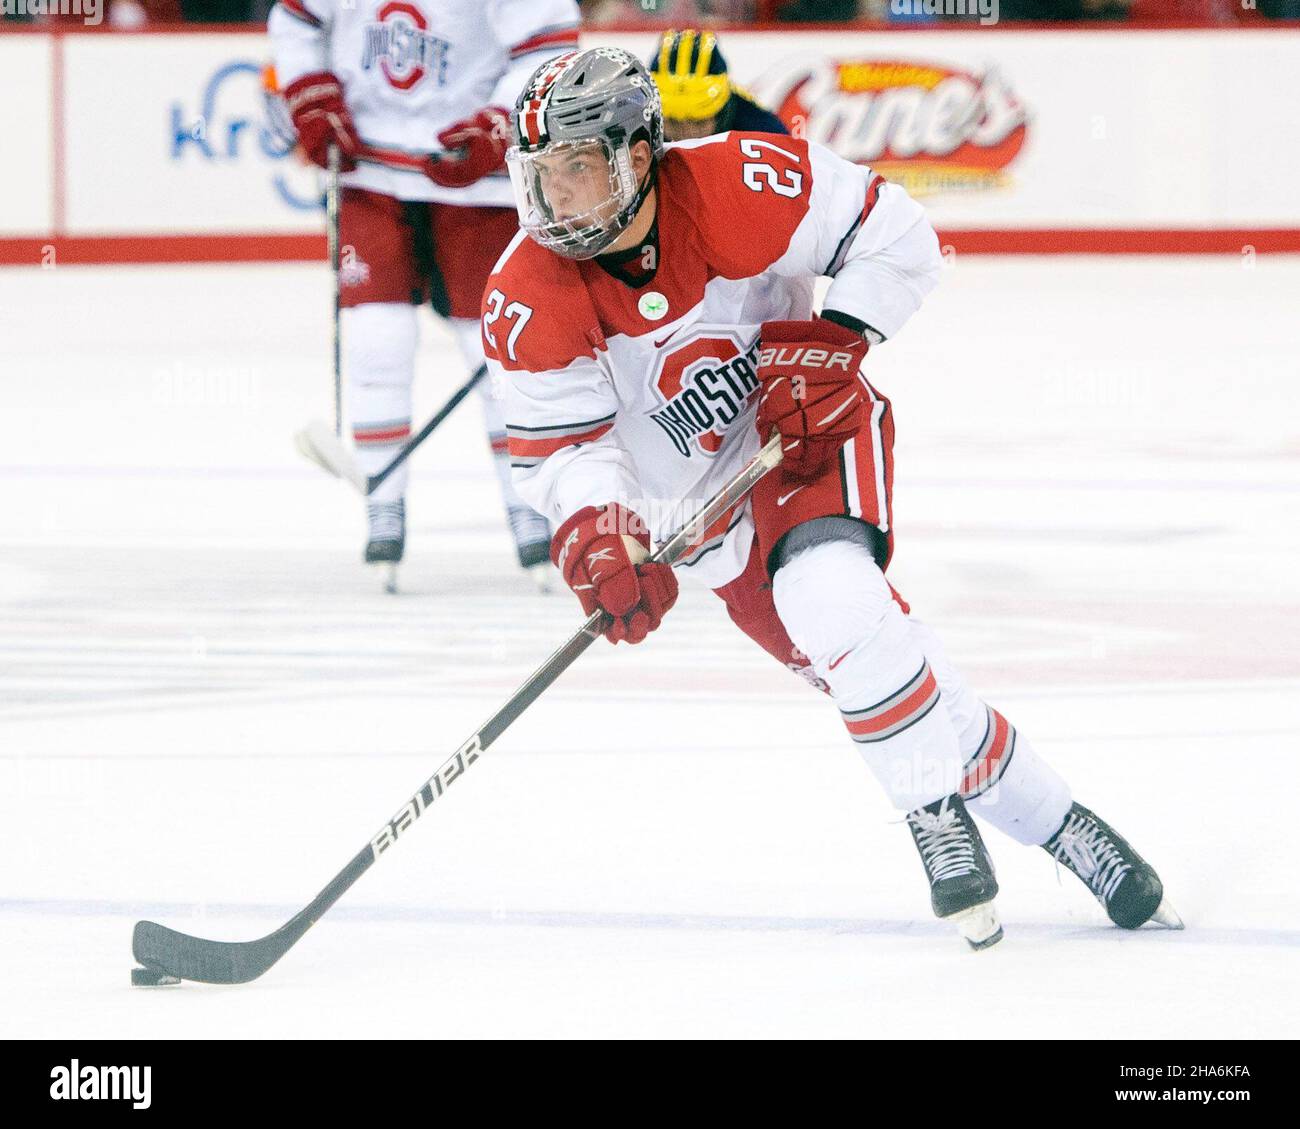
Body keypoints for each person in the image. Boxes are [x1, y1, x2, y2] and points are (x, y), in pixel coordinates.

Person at [482, 47, 1180, 947]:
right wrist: (601, 537)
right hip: (706, 525)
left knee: (833, 600)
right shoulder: (524, 296)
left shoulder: (740, 181)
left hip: (807, 433)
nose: (557, 197)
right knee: (879, 671)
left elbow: (898, 235)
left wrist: (837, 338)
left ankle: (930, 813)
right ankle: (1069, 826)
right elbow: (566, 453)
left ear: (639, 153)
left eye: (579, 167)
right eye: (541, 174)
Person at [268, 0, 581, 587]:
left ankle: (530, 512)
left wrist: (498, 121)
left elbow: (550, 45)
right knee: (375, 339)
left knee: (494, 347)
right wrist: (310, 93)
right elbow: (296, 20)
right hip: (370, 168)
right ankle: (382, 507)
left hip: (473, 180)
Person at [648, 28, 787, 143]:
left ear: (722, 112)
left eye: (698, 122)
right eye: (674, 122)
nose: (687, 135)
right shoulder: (635, 124)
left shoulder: (763, 131)